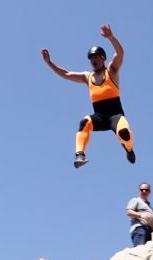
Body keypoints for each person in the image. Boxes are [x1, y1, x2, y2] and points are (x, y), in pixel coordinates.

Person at [41, 24, 136, 168]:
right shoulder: (87, 77)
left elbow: (120, 53)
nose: (93, 60)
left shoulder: (111, 71)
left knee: (123, 132)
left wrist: (111, 38)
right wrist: (49, 63)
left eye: (96, 57)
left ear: (103, 58)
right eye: (91, 58)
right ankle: (80, 154)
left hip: (116, 116)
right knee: (84, 122)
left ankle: (129, 149)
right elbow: (66, 74)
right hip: (100, 117)